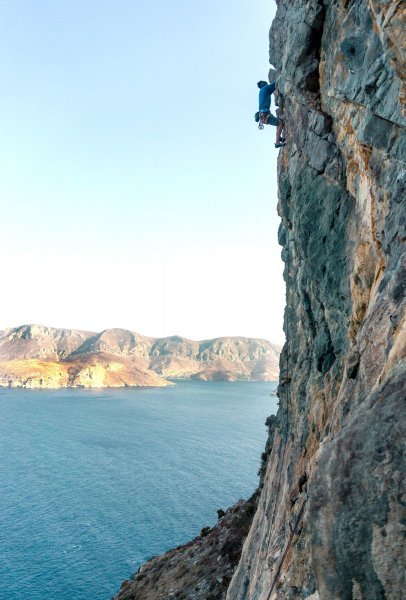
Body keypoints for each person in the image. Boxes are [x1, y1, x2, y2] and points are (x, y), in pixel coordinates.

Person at [255, 80, 285, 148]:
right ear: (264, 84)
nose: (267, 84)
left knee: (279, 121)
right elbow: (277, 82)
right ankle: (277, 143)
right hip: (265, 114)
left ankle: (278, 137)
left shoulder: (261, 92)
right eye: (266, 83)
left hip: (264, 114)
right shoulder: (265, 89)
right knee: (279, 123)